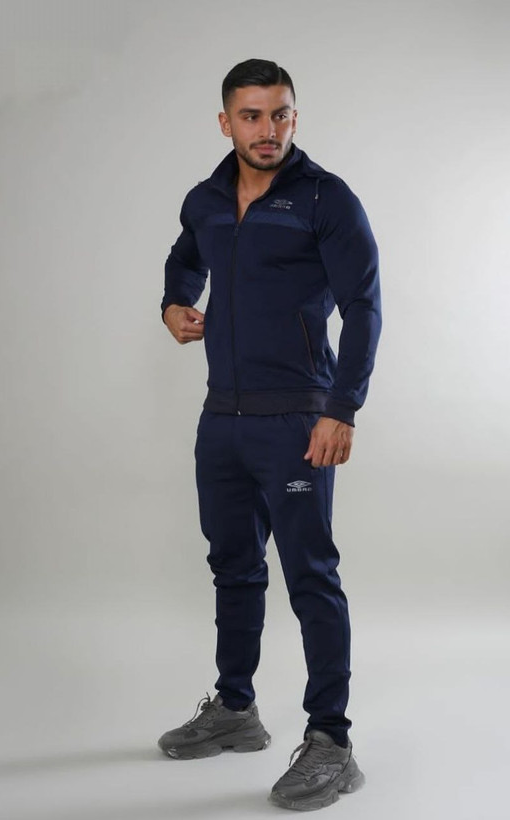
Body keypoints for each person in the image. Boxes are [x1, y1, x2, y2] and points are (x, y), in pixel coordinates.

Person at [157, 58, 381, 812]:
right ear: (226, 122)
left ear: (294, 118)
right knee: (232, 566)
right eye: (251, 116)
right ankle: (235, 708)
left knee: (310, 574)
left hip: (297, 419)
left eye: (280, 114)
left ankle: (332, 743)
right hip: (221, 416)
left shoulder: (325, 198)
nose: (267, 129)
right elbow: (184, 258)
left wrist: (341, 408)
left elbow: (364, 306)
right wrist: (174, 303)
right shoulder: (207, 199)